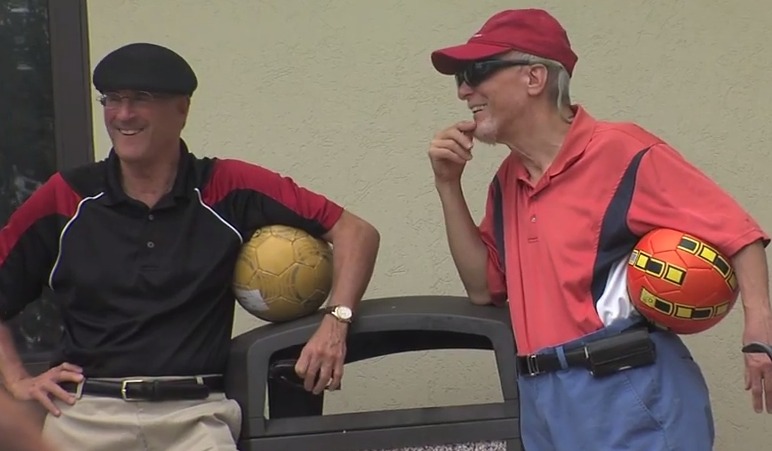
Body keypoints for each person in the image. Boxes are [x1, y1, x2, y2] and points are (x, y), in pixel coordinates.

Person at [0, 42, 380, 451]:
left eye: (141, 99)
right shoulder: (67, 196)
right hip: (85, 416)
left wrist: (335, 323)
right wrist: (17, 380)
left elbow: (356, 232)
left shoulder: (228, 185)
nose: (123, 114)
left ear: (181, 109)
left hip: (196, 419)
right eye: (112, 99)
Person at [427, 8, 772, 450]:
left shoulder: (621, 151)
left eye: (476, 71)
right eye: (459, 77)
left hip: (625, 388)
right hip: (543, 399)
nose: (463, 90)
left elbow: (739, 233)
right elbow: (483, 288)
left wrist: (758, 334)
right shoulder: (507, 179)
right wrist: (447, 185)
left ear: (534, 78)